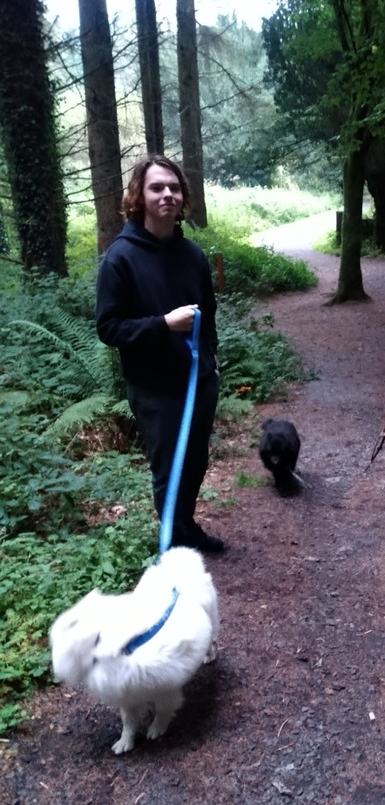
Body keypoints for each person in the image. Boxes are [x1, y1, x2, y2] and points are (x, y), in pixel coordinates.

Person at [96, 155, 225, 554]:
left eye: (173, 187)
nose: (167, 195)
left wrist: (211, 359)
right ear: (139, 196)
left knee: (195, 463)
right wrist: (163, 324)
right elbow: (109, 327)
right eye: (156, 188)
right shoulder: (120, 258)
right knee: (169, 469)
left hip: (197, 380)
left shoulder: (193, 256)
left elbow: (209, 314)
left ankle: (184, 528)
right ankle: (172, 545)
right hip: (154, 387)